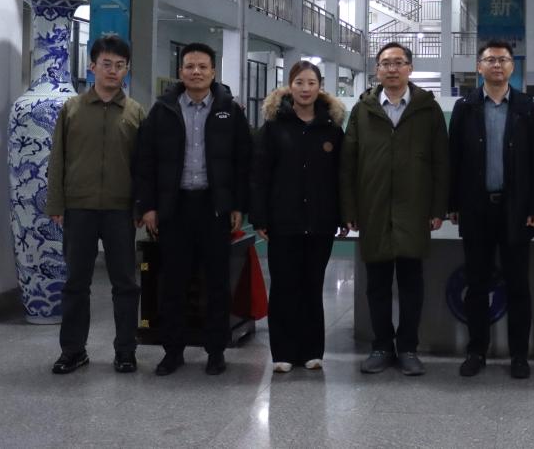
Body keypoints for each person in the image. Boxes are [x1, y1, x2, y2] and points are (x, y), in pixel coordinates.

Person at [134, 42, 252, 376]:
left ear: (213, 71)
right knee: (173, 282)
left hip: (214, 207)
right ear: (180, 72)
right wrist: (148, 207)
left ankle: (216, 350)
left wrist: (238, 205)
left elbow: (243, 161)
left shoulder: (229, 110)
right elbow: (145, 161)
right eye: (189, 66)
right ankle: (173, 351)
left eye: (202, 66)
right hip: (175, 208)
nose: (196, 72)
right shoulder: (163, 110)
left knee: (217, 283)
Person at [340, 42, 448, 376]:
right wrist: (350, 208)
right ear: (377, 70)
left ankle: (409, 348)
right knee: (377, 285)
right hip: (373, 209)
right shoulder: (363, 110)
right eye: (386, 63)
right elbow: (348, 163)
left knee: (412, 284)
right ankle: (381, 346)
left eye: (399, 62)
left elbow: (441, 162)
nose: (392, 68)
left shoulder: (428, 110)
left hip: (414, 210)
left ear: (410, 69)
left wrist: (438, 208)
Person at [46, 35, 145, 375]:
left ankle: (126, 350)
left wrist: (140, 207)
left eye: (120, 65)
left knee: (125, 284)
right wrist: (56, 203)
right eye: (106, 64)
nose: (113, 71)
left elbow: (143, 167)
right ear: (92, 66)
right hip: (79, 208)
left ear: (126, 70)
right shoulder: (72, 109)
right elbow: (57, 159)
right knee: (76, 283)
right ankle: (73, 351)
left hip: (120, 210)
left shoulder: (135, 112)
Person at [449, 40, 534, 380]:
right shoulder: (465, 107)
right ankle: (476, 351)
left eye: (503, 59)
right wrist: (452, 203)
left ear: (512, 66)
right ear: (479, 67)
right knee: (477, 284)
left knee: (518, 285)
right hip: (476, 209)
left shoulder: (527, 108)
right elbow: (453, 158)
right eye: (490, 59)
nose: (496, 65)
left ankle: (519, 355)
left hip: (516, 210)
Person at [250, 61, 346, 373]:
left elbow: (342, 176)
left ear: (320, 87)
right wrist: (260, 217)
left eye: (311, 83)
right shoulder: (274, 127)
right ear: (290, 86)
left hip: (320, 221)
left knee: (312, 285)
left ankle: (312, 350)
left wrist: (343, 215)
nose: (305, 89)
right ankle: (283, 351)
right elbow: (260, 175)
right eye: (299, 83)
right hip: (283, 220)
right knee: (284, 286)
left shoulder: (332, 128)